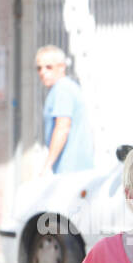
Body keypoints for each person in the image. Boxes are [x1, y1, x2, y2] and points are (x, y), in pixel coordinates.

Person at [36, 45, 94, 175]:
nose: (42, 72)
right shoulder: (65, 88)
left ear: (61, 67)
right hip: (74, 167)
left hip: (70, 168)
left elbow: (62, 128)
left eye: (48, 67)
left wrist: (47, 165)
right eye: (39, 68)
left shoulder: (62, 89)